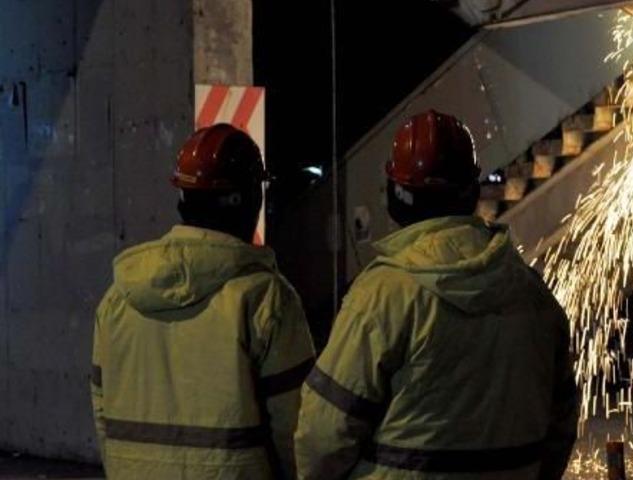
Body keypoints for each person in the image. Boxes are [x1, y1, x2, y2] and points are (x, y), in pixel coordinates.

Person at [295, 110, 578, 479]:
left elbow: (323, 436)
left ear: (398, 194)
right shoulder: (532, 293)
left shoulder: (383, 294)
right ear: (472, 190)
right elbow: (560, 427)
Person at [90, 124, 315, 479]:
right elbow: (298, 431)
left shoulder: (118, 299)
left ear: (183, 199)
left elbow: (103, 416)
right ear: (250, 200)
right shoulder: (265, 299)